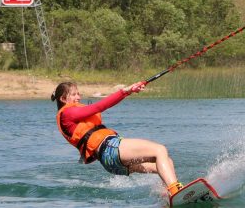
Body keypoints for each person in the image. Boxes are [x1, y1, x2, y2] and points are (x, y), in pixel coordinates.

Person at [51, 80, 184, 196]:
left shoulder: (71, 115)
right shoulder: (67, 113)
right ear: (63, 99)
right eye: (74, 94)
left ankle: (166, 195)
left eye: (78, 93)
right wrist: (126, 91)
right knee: (160, 150)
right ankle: (175, 191)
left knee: (166, 162)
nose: (78, 97)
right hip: (110, 149)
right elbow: (99, 106)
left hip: (110, 163)